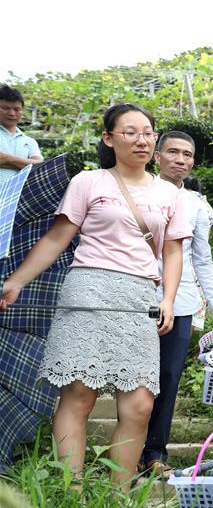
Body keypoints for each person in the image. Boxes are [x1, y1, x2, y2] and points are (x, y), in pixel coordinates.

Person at [0, 103, 190, 487]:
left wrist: (168, 299)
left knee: (139, 404)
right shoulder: (88, 182)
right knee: (80, 396)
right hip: (87, 294)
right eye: (130, 132)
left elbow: (172, 251)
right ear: (109, 138)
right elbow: (57, 238)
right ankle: (71, 491)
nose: (141, 140)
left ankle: (117, 502)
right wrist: (16, 281)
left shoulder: (169, 193)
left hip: (139, 300)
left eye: (148, 132)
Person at [139, 130, 213, 475]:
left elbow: (201, 259)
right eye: (173, 152)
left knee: (169, 375)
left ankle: (154, 454)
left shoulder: (196, 204)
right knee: (136, 376)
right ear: (157, 156)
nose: (181, 159)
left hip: (180, 302)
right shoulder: (139, 192)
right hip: (137, 297)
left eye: (188, 155)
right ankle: (129, 449)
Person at [0, 85, 43, 182]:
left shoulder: (30, 141)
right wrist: (25, 165)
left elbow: (38, 167)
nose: (11, 113)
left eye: (16, 109)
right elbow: (32, 165)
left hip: (18, 196)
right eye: (5, 108)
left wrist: (6, 158)